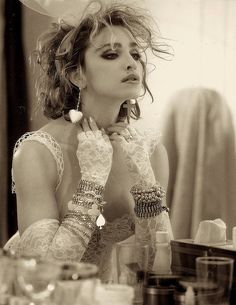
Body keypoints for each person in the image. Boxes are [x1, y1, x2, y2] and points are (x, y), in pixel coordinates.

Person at [5, 0, 173, 282]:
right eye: (111, 55)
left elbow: (157, 266)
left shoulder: (150, 153)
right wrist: (92, 182)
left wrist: (145, 181)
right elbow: (44, 275)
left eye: (136, 54)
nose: (132, 63)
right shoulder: (37, 152)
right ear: (76, 74)